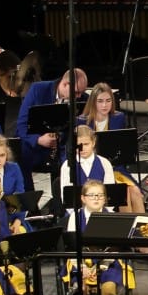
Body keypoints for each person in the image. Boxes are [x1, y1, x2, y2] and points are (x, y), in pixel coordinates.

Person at [62, 180, 134, 295]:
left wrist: (100, 267)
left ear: (105, 199)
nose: (96, 198)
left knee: (108, 288)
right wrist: (83, 268)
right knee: (81, 290)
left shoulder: (112, 217)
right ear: (83, 198)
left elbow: (115, 249)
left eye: (100, 195)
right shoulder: (75, 217)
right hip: (81, 263)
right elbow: (72, 247)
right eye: (92, 195)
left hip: (107, 263)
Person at [16, 68, 90, 202]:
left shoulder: (83, 99)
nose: (79, 96)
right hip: (36, 144)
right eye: (76, 92)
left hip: (62, 145)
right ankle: (31, 204)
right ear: (65, 84)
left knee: (72, 156)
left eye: (81, 92)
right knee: (22, 153)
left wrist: (61, 137)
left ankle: (62, 203)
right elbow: (21, 125)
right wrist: (38, 140)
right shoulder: (38, 90)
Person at [77, 81, 146, 214]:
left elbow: (122, 149)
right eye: (100, 101)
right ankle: (127, 226)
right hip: (94, 169)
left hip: (116, 168)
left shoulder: (118, 118)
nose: (104, 105)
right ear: (93, 102)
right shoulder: (81, 121)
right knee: (124, 193)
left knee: (135, 192)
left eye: (108, 101)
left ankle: (143, 226)